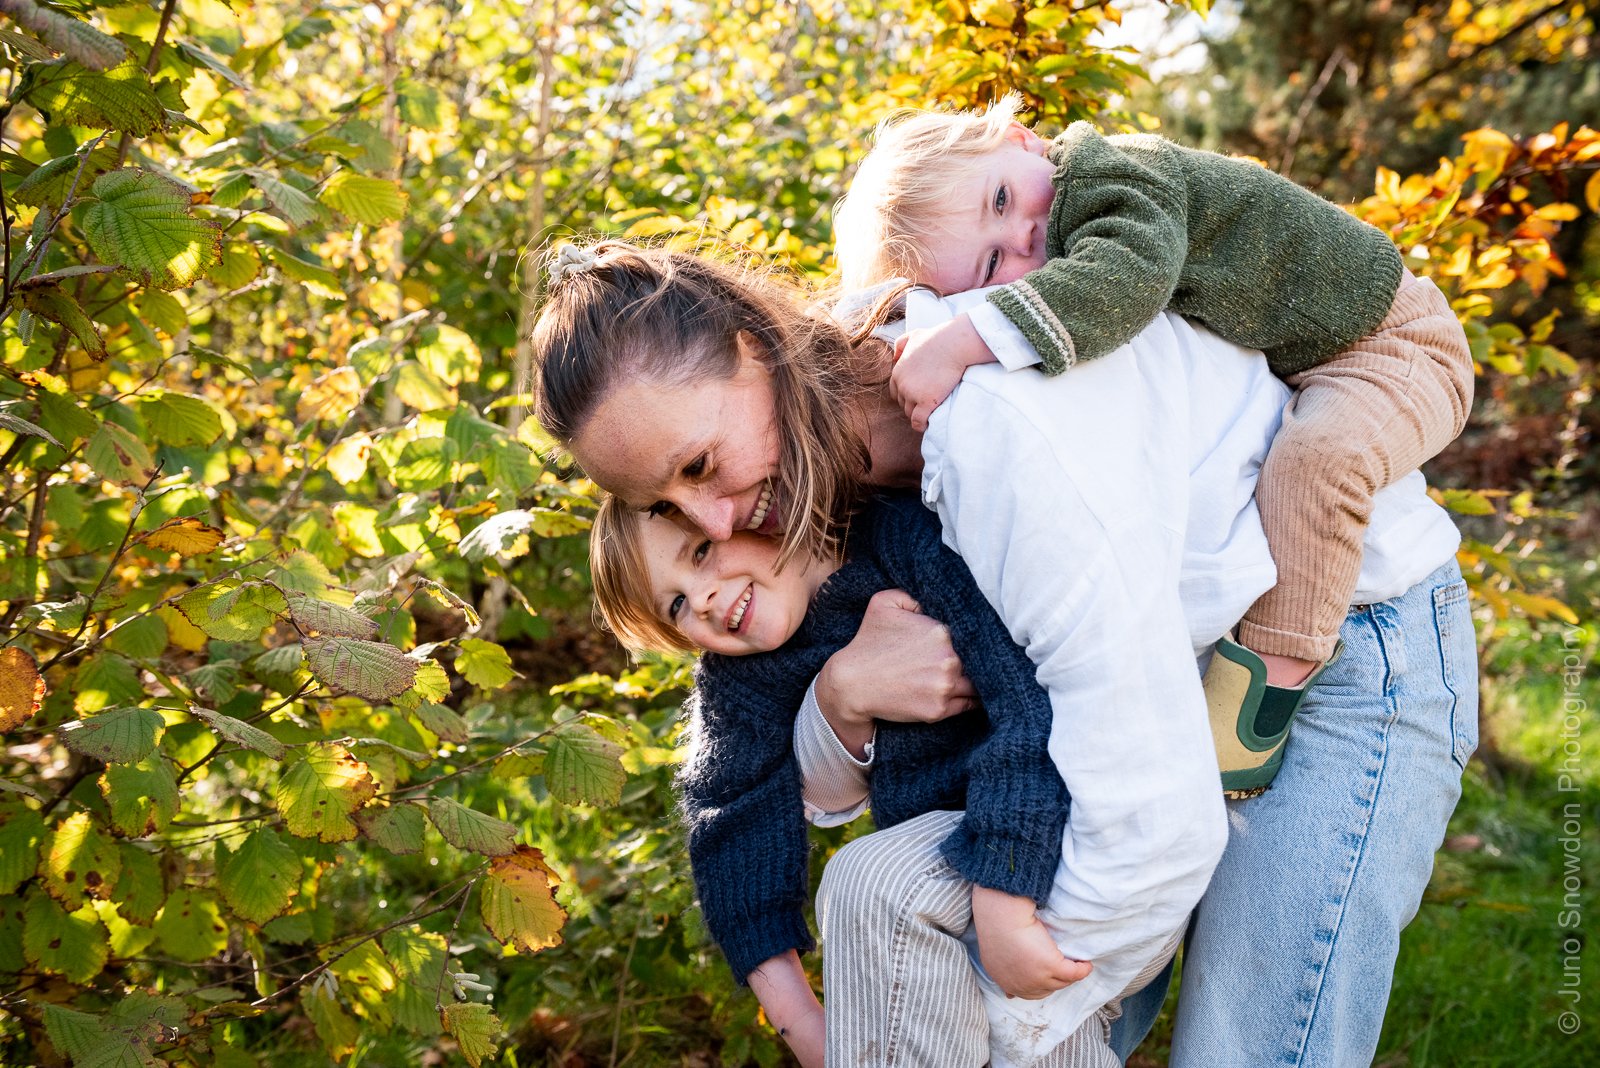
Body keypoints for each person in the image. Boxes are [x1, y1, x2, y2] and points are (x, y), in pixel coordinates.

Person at [530, 242, 1476, 1068]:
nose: (715, 522)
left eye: (699, 469)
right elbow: (764, 767)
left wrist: (1000, 1022)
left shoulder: (992, 424)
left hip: (1343, 641)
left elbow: (1118, 773)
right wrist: (844, 694)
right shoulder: (805, 479)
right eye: (664, 509)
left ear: (749, 349)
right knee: (906, 909)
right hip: (1156, 688)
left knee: (1247, 1045)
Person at [832, 95, 1475, 790]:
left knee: (1316, 463)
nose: (1025, 236)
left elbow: (1124, 280)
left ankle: (1269, 684)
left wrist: (962, 340)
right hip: (1323, 354)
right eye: (991, 265)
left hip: (1397, 342)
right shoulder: (1066, 213)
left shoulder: (1118, 173)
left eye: (1001, 197)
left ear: (1021, 138)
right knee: (1296, 451)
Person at [587, 491, 1189, 1066]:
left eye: (699, 554)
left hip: (1061, 818)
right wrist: (806, 1029)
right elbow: (729, 830)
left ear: (747, 510)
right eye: (675, 606)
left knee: (869, 887)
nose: (704, 599)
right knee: (1035, 1042)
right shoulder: (737, 677)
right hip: (959, 866)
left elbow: (1027, 698)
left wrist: (1004, 885)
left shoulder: (899, 539)